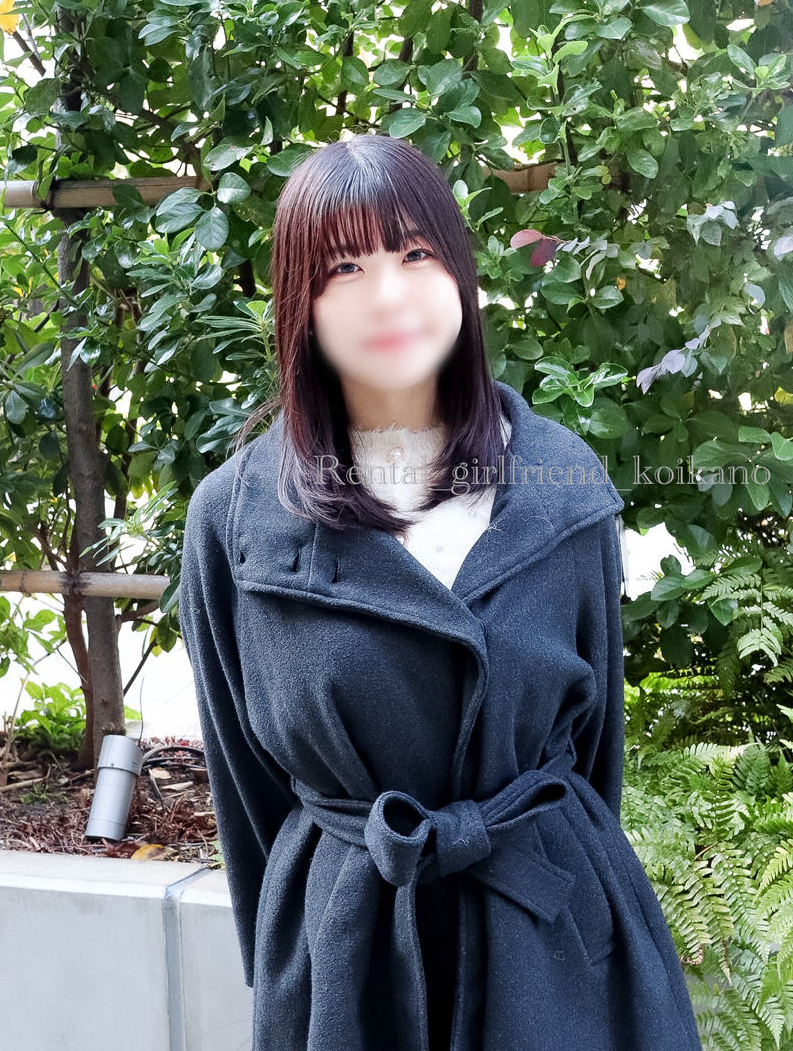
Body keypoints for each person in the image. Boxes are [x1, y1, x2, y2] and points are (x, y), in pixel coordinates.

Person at [178, 133, 703, 1051]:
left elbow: (594, 760)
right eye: (345, 267)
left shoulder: (561, 484)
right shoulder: (234, 517)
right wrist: (290, 954)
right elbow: (246, 787)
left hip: (552, 940)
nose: (389, 295)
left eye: (416, 253)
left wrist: (578, 914)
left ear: (460, 272)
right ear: (300, 301)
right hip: (350, 954)